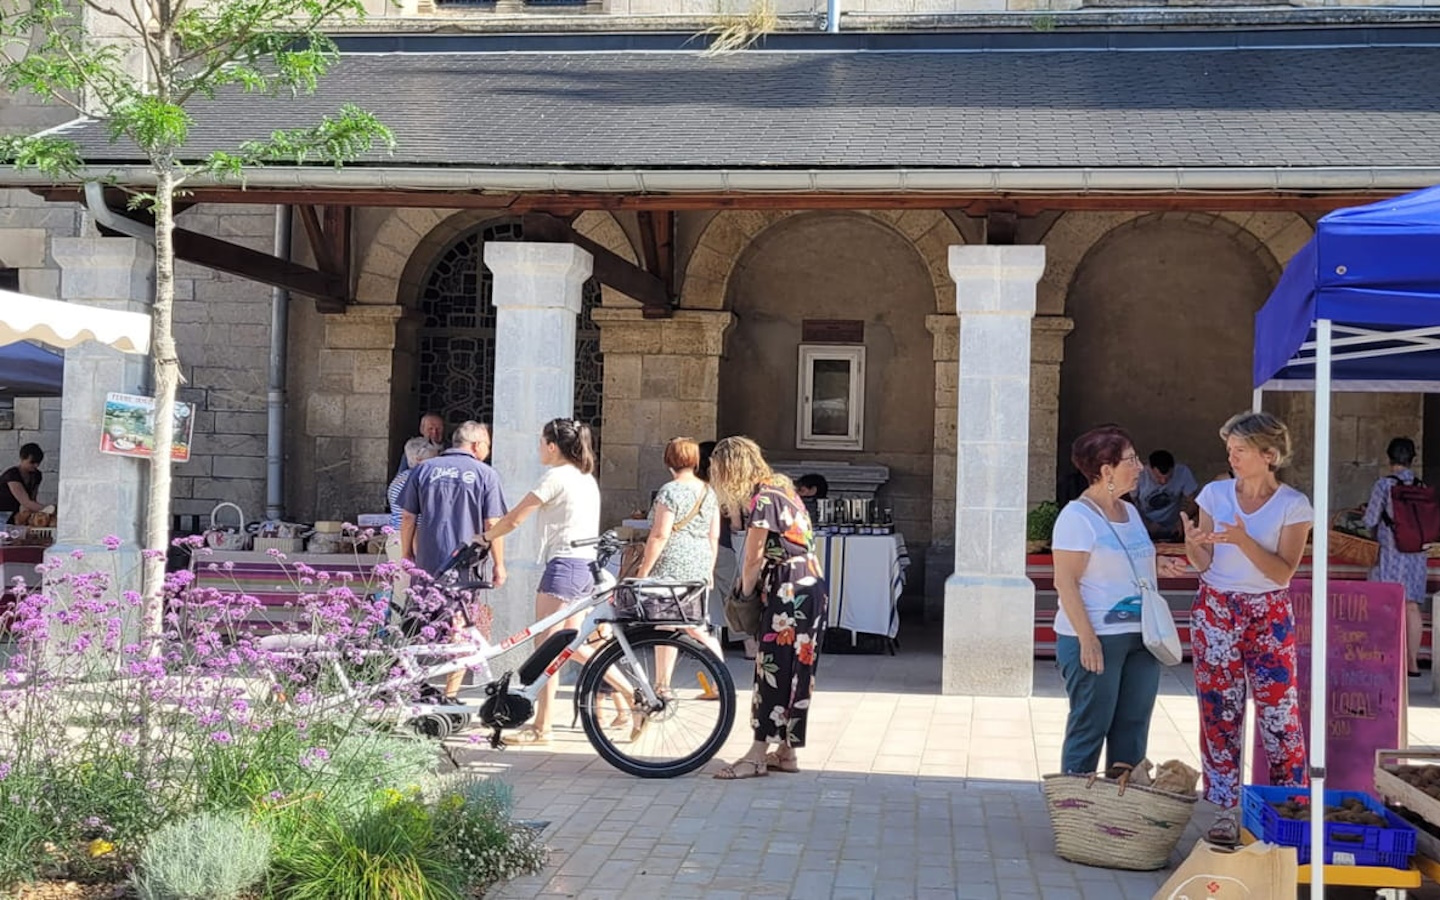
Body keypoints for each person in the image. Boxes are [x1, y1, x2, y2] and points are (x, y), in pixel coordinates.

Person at [1181, 411, 1313, 845]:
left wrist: (1243, 541)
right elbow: (1204, 564)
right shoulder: (1214, 494)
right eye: (1229, 449)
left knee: (1279, 714)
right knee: (1219, 711)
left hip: (1268, 612)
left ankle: (1290, 807)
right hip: (1216, 607)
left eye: (1240, 450)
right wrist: (1193, 545)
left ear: (1268, 454)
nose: (1232, 457)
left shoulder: (1293, 505)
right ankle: (1224, 809)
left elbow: (1282, 572)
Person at [1051, 426, 1187, 776]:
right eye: (1131, 460)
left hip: (1143, 636)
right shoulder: (1076, 518)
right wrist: (1087, 639)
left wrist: (1157, 563)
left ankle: (1122, 802)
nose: (1140, 467)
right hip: (1097, 637)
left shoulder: (1130, 512)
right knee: (1091, 725)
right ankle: (1075, 802)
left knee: (1133, 727)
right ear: (1106, 470)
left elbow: (1122, 560)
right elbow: (1065, 582)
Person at [707, 436, 829, 779]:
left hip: (787, 588)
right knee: (799, 669)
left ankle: (757, 754)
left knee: (772, 667)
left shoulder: (763, 499)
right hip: (810, 583)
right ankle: (787, 751)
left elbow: (753, 556)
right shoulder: (784, 490)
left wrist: (744, 594)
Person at [475, 418, 602, 745]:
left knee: (546, 648)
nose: (538, 449)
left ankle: (544, 726)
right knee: (568, 645)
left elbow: (515, 518)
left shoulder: (555, 476)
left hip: (564, 565)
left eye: (541, 443)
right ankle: (630, 694)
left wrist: (485, 537)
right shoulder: (585, 477)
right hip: (585, 565)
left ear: (552, 446)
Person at [399, 422, 508, 699]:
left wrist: (406, 553)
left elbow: (408, 516)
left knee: (420, 621)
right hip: (464, 564)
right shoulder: (485, 474)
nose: (488, 450)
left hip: (428, 560)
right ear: (476, 445)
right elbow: (493, 523)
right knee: (459, 626)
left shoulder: (424, 469)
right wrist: (499, 564)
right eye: (487, 445)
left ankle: (414, 685)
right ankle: (450, 693)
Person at [636, 437, 725, 686]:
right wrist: (709, 569)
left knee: (670, 624)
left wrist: (643, 570)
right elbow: (713, 535)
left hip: (672, 563)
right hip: (699, 561)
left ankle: (665, 683)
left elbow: (660, 534)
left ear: (668, 460)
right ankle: (717, 679)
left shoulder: (669, 491)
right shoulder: (708, 492)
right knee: (687, 624)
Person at [1363, 437, 1430, 677]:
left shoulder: (1384, 485)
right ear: (1412, 458)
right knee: (1412, 607)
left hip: (1390, 553)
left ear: (1389, 457)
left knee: (1386, 604)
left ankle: (1389, 660)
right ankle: (1412, 663)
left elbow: (1370, 519)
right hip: (1416, 554)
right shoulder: (1421, 486)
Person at [1133, 450, 1199, 542]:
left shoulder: (1183, 472)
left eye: (1168, 477)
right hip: (1143, 525)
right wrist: (1146, 523)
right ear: (1150, 469)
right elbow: (1128, 503)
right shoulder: (1139, 475)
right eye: (1158, 477)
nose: (1163, 481)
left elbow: (1194, 502)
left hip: (1173, 526)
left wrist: (1182, 520)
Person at [387, 436, 442, 534]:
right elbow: (409, 517)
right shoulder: (418, 481)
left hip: (398, 533)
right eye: (433, 460)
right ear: (419, 460)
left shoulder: (400, 478)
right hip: (411, 535)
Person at [1, 443, 49, 525]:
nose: (36, 465)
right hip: (2, 513)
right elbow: (26, 502)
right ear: (22, 459)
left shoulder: (36, 475)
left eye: (38, 462)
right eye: (32, 462)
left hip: (15, 514)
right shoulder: (12, 475)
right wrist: (48, 509)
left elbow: (32, 500)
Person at [396, 412, 446, 477]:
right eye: (430, 429)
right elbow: (400, 476)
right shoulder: (413, 450)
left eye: (438, 429)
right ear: (422, 430)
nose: (434, 432)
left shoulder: (451, 449)